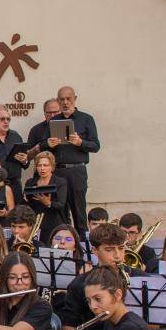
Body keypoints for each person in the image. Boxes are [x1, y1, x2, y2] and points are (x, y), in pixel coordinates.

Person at [44, 85, 99, 236]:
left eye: (68, 99)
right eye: (62, 99)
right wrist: (49, 143)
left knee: (79, 212)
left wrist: (81, 142)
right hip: (59, 171)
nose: (65, 102)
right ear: (58, 101)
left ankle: (82, 247)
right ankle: (63, 247)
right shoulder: (54, 120)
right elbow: (43, 145)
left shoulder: (86, 119)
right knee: (60, 213)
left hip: (77, 170)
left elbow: (96, 145)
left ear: (75, 99)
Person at [22, 151, 69, 240]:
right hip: (35, 223)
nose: (42, 168)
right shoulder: (30, 182)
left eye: (45, 165)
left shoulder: (60, 182)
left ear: (52, 167)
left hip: (53, 223)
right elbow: (24, 205)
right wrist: (25, 200)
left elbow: (61, 204)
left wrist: (48, 203)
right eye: (39, 165)